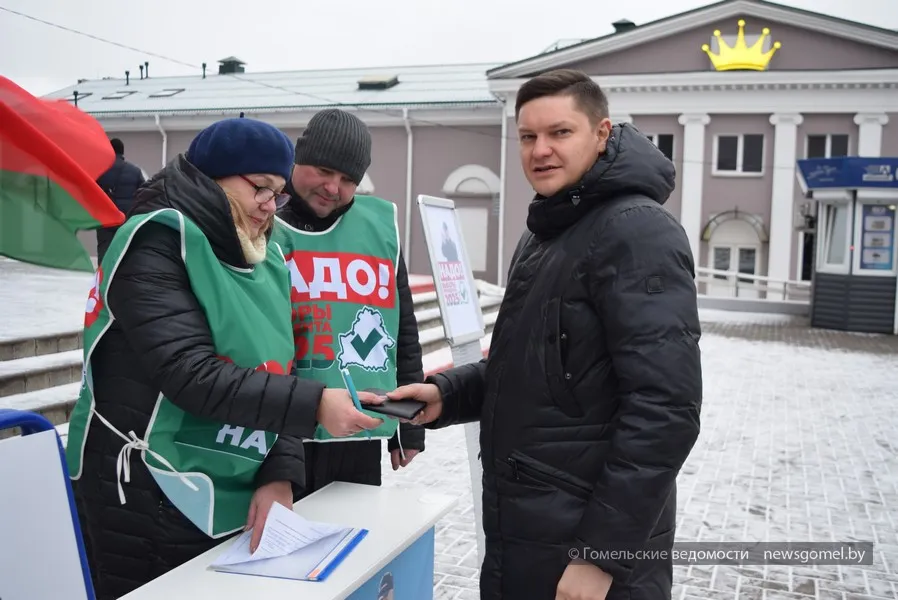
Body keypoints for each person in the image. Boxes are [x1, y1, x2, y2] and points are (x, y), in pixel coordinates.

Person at [388, 69, 703, 600]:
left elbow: (665, 410)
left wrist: (601, 557)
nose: (541, 150)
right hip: (532, 527)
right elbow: (540, 368)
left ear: (601, 134)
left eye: (560, 133)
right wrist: (447, 393)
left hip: (582, 541)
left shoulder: (636, 230)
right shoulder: (548, 232)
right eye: (528, 136)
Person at [65, 116, 384, 600]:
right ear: (212, 175)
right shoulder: (157, 241)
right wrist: (317, 406)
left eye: (277, 193)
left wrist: (280, 471)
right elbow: (190, 373)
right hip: (143, 485)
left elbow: (281, 365)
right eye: (259, 187)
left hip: (229, 475)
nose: (268, 206)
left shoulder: (266, 254)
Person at [270, 108, 425, 497]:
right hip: (277, 432)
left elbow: (401, 326)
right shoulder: (263, 220)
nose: (333, 187)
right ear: (296, 161)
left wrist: (409, 422)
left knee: (349, 546)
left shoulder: (377, 228)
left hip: (358, 430)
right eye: (324, 171)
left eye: (348, 179)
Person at [94, 137, 146, 263]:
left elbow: (92, 193)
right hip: (126, 219)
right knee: (125, 253)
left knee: (105, 253)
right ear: (122, 152)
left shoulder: (100, 170)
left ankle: (104, 279)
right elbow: (144, 194)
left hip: (105, 220)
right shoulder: (135, 171)